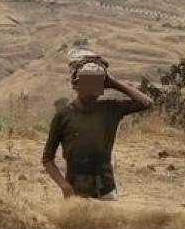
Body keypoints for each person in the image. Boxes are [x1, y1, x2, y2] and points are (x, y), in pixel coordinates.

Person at [42, 56, 153, 200]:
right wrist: (63, 185)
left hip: (106, 189)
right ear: (76, 85)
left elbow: (147, 103)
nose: (92, 90)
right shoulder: (63, 116)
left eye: (96, 85)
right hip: (75, 190)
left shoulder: (110, 109)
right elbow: (47, 158)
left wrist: (113, 83)